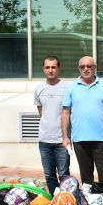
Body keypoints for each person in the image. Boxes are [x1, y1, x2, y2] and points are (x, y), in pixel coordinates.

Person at [62, 56, 103, 205]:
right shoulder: (71, 87)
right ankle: (90, 204)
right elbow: (65, 112)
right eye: (82, 67)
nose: (86, 69)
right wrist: (65, 136)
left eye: (89, 66)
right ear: (79, 69)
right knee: (86, 177)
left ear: (95, 68)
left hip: (101, 139)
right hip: (79, 139)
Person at [35, 55, 70, 194]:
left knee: (64, 175)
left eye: (53, 67)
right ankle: (55, 200)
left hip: (62, 140)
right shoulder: (39, 89)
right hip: (44, 140)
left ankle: (66, 201)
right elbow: (41, 112)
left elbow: (68, 112)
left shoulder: (67, 88)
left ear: (59, 69)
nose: (51, 70)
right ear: (44, 69)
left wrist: (66, 137)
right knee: (49, 175)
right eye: (47, 67)